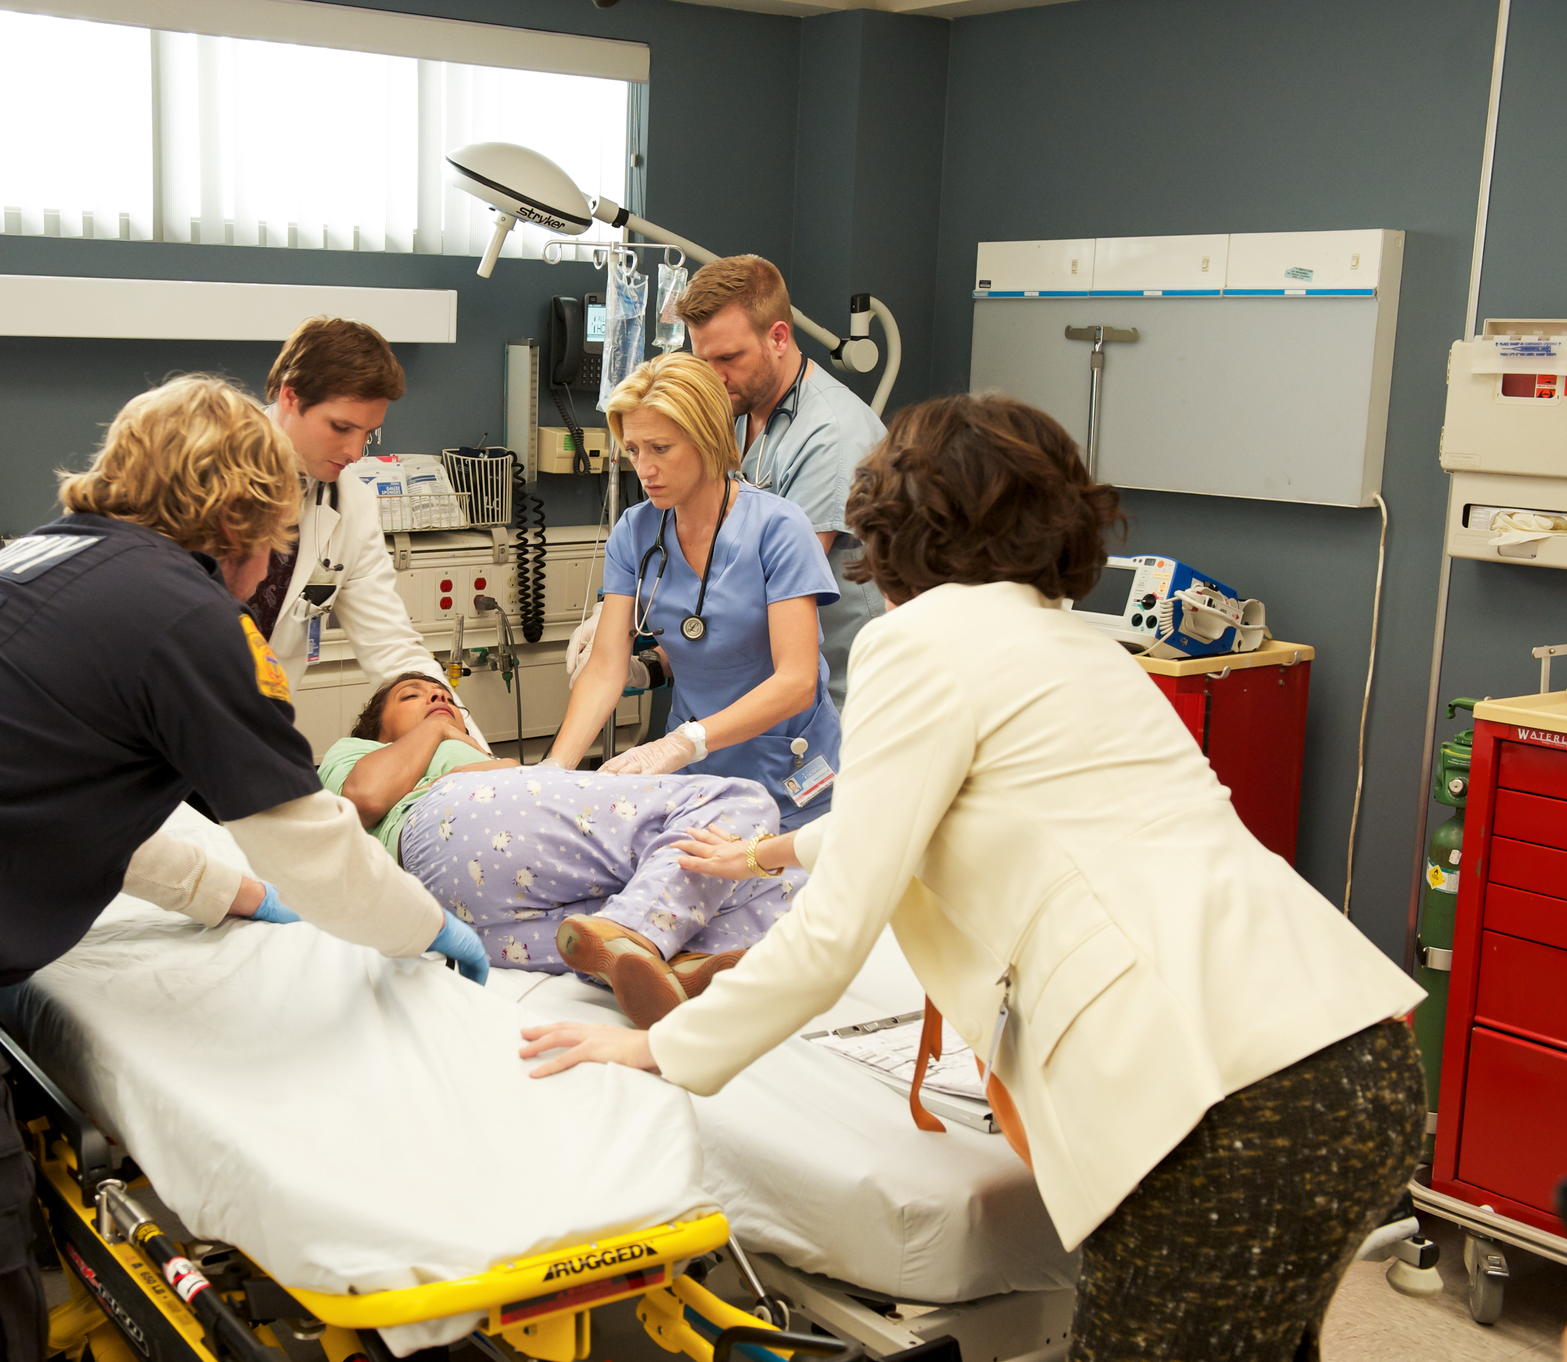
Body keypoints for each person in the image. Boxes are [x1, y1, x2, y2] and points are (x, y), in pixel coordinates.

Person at [519, 393, 1427, 1361]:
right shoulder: (1083, 648)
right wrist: (763, 852)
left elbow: (831, 936)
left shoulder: (914, 644)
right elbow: (960, 815)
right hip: (1356, 1059)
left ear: (893, 523)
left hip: (1220, 1108)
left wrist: (665, 1051)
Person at [0, 374, 488, 1362]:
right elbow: (316, 846)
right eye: (273, 548)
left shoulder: (36, 564)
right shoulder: (182, 617)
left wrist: (229, 890)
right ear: (240, 523)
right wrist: (424, 929)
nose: (266, 573)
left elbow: (56, 792)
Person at [319, 673, 799, 1026]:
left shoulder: (485, 766)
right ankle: (644, 933)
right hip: (445, 826)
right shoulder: (354, 750)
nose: (439, 698)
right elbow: (365, 798)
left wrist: (487, 761)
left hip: (459, 920)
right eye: (413, 696)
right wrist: (440, 727)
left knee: (778, 879)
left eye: (445, 697)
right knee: (737, 803)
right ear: (374, 729)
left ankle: (669, 959)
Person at [545, 353, 841, 832]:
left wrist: (683, 741)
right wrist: (554, 772)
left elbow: (797, 680)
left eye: (661, 448)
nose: (645, 468)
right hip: (693, 773)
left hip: (787, 768)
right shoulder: (635, 531)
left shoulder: (779, 528)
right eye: (635, 449)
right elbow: (604, 668)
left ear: (707, 440)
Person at [249, 315, 484, 741]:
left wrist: (470, 747)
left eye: (368, 433)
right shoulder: (204, 469)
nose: (355, 452)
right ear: (289, 396)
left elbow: (392, 648)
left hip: (251, 733)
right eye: (341, 427)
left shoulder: (350, 501)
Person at [677, 254, 887, 711]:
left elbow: (769, 581)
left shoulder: (832, 433)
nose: (713, 378)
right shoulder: (733, 410)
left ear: (777, 337)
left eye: (729, 358)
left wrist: (660, 646)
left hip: (840, 695)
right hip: (756, 676)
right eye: (702, 360)